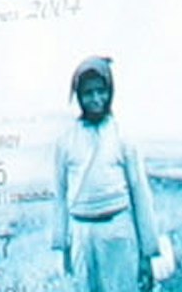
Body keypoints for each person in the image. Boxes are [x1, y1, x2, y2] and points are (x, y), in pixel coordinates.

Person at [54, 57, 172, 288]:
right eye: (88, 93)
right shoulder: (66, 142)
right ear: (78, 96)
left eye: (101, 91)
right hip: (81, 233)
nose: (96, 99)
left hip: (118, 232)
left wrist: (147, 254)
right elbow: (60, 196)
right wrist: (63, 247)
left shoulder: (123, 137)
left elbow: (140, 195)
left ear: (110, 92)